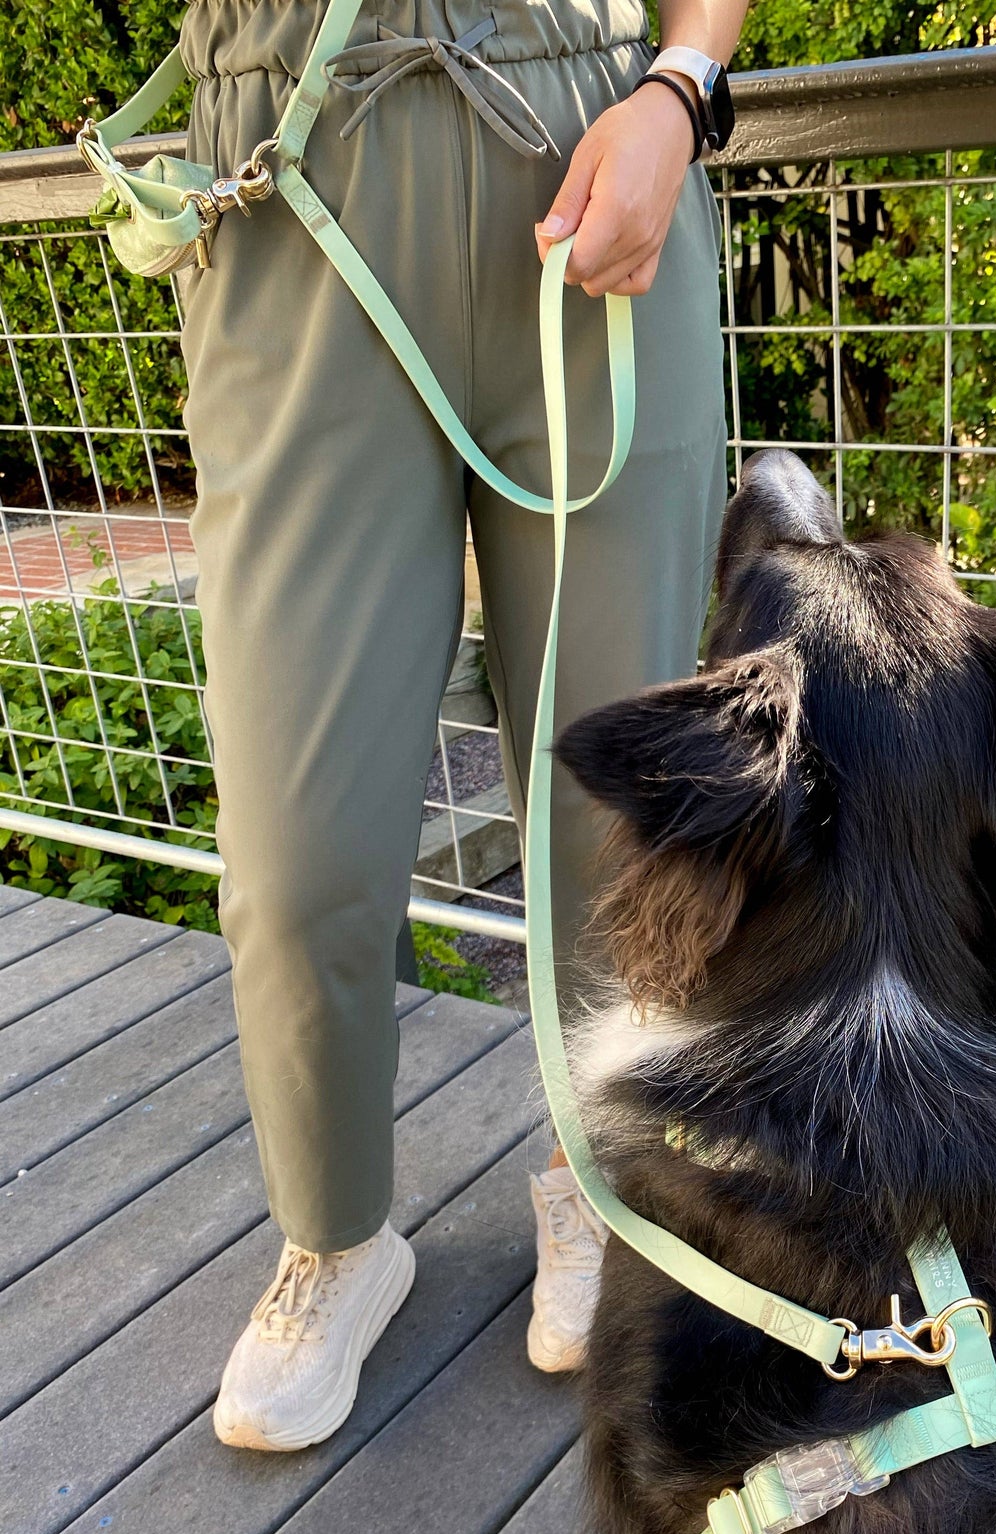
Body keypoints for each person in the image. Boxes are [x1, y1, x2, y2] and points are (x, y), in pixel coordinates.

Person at [175, 0, 744, 1450]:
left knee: (614, 795)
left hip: (590, 141)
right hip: (291, 170)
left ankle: (593, 1171)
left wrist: (683, 87)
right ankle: (338, 1239)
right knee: (296, 856)